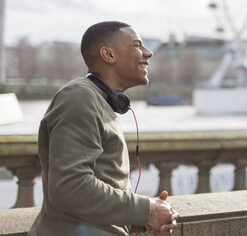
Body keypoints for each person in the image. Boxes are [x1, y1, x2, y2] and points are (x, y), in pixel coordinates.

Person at [28, 21, 179, 236]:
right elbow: (69, 187)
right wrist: (147, 210)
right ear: (108, 55)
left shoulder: (99, 102)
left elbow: (94, 201)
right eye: (137, 45)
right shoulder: (79, 97)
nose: (149, 53)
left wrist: (143, 222)